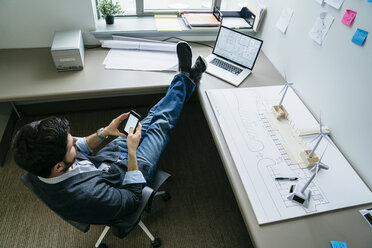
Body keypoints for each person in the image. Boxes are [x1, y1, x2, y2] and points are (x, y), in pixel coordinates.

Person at [11, 42, 207, 225]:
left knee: (151, 116)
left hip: (107, 163)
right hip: (129, 176)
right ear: (59, 166)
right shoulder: (88, 196)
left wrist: (104, 132)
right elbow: (132, 199)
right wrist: (131, 153)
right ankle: (185, 77)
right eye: (71, 145)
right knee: (161, 124)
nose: (77, 142)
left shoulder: (40, 163)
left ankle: (186, 79)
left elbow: (80, 147)